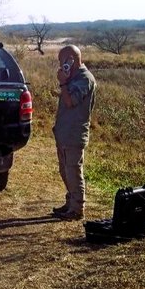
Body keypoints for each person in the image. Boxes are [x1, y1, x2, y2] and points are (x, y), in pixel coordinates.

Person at [52, 44, 97, 221]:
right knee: (65, 170)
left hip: (74, 134)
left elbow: (70, 102)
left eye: (62, 60)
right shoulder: (73, 76)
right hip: (64, 132)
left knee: (73, 170)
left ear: (71, 59)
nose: (61, 64)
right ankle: (71, 202)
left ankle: (77, 208)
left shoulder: (85, 78)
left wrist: (63, 82)